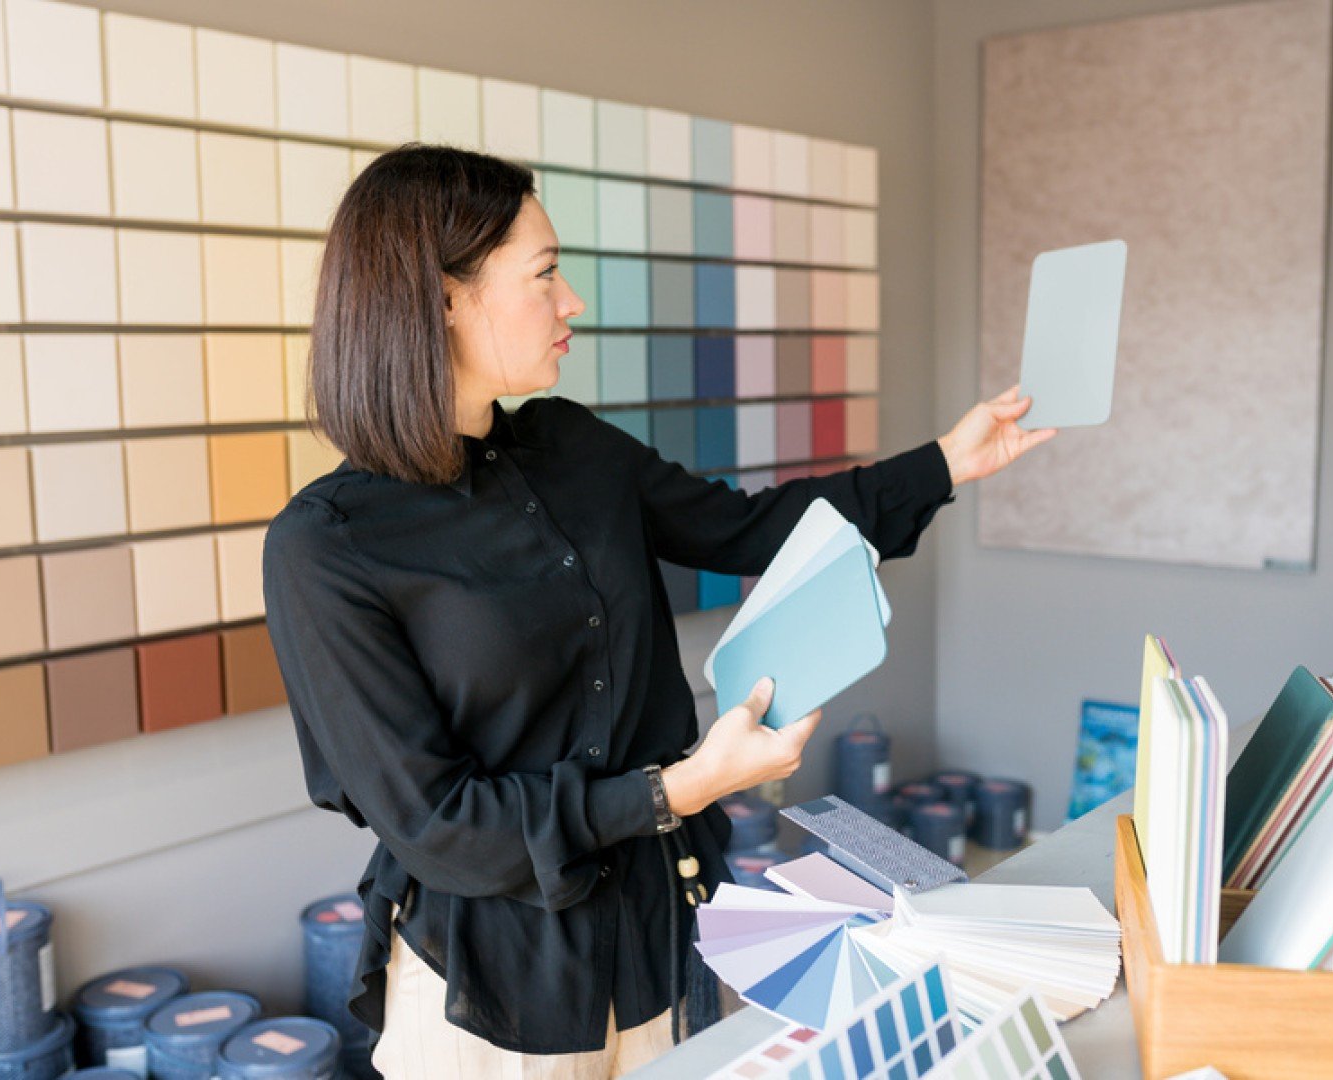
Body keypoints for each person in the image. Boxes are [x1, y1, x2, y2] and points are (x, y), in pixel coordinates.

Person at [261, 144, 1056, 1079]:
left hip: (656, 941)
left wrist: (947, 464)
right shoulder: (324, 547)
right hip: (489, 1003)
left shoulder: (574, 447)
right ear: (440, 299)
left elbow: (751, 529)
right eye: (547, 274)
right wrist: (682, 787)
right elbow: (443, 825)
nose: (573, 304)